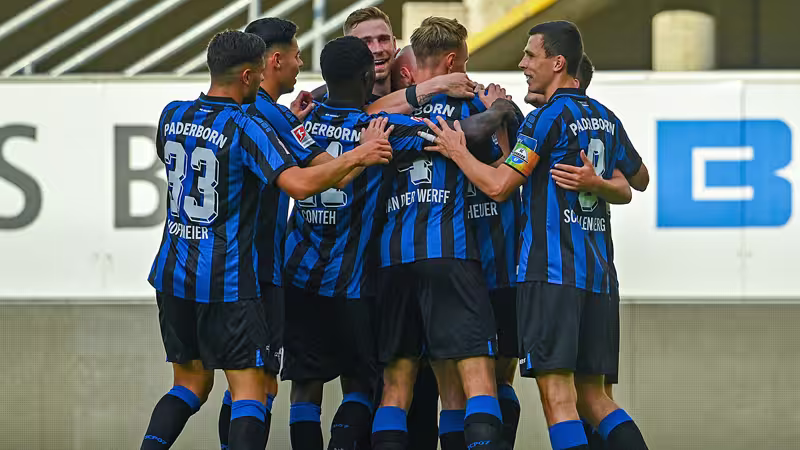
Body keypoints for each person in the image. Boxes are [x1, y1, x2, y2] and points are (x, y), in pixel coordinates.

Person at [140, 30, 392, 450]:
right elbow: (300, 185)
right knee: (253, 391)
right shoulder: (249, 126)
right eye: (258, 74)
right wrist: (360, 154)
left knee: (190, 384)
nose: (262, 82)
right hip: (230, 279)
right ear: (246, 75)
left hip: (173, 274)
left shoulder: (173, 114)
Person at [419, 21, 650, 450]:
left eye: (530, 55)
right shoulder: (605, 117)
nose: (523, 64)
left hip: (552, 276)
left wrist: (456, 151)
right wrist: (598, 183)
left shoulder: (545, 119)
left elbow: (499, 186)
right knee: (594, 398)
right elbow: (639, 179)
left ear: (557, 63)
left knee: (558, 398)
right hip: (600, 278)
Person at [371, 17, 517, 450]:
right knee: (479, 380)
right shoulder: (473, 109)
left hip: (393, 260)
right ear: (453, 61)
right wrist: (501, 108)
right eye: (466, 63)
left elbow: (362, 119)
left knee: (396, 387)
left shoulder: (391, 112)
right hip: (451, 254)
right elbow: (501, 169)